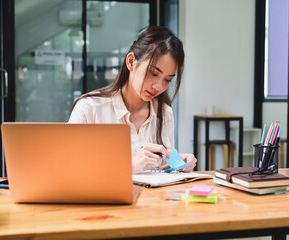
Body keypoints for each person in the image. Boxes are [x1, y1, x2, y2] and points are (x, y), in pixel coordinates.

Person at [68, 26, 197, 172]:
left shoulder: (164, 113)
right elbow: (70, 169)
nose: (158, 86)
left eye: (167, 80)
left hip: (153, 196)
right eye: (153, 73)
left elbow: (160, 171)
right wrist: (129, 165)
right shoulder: (90, 108)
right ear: (131, 62)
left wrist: (178, 165)